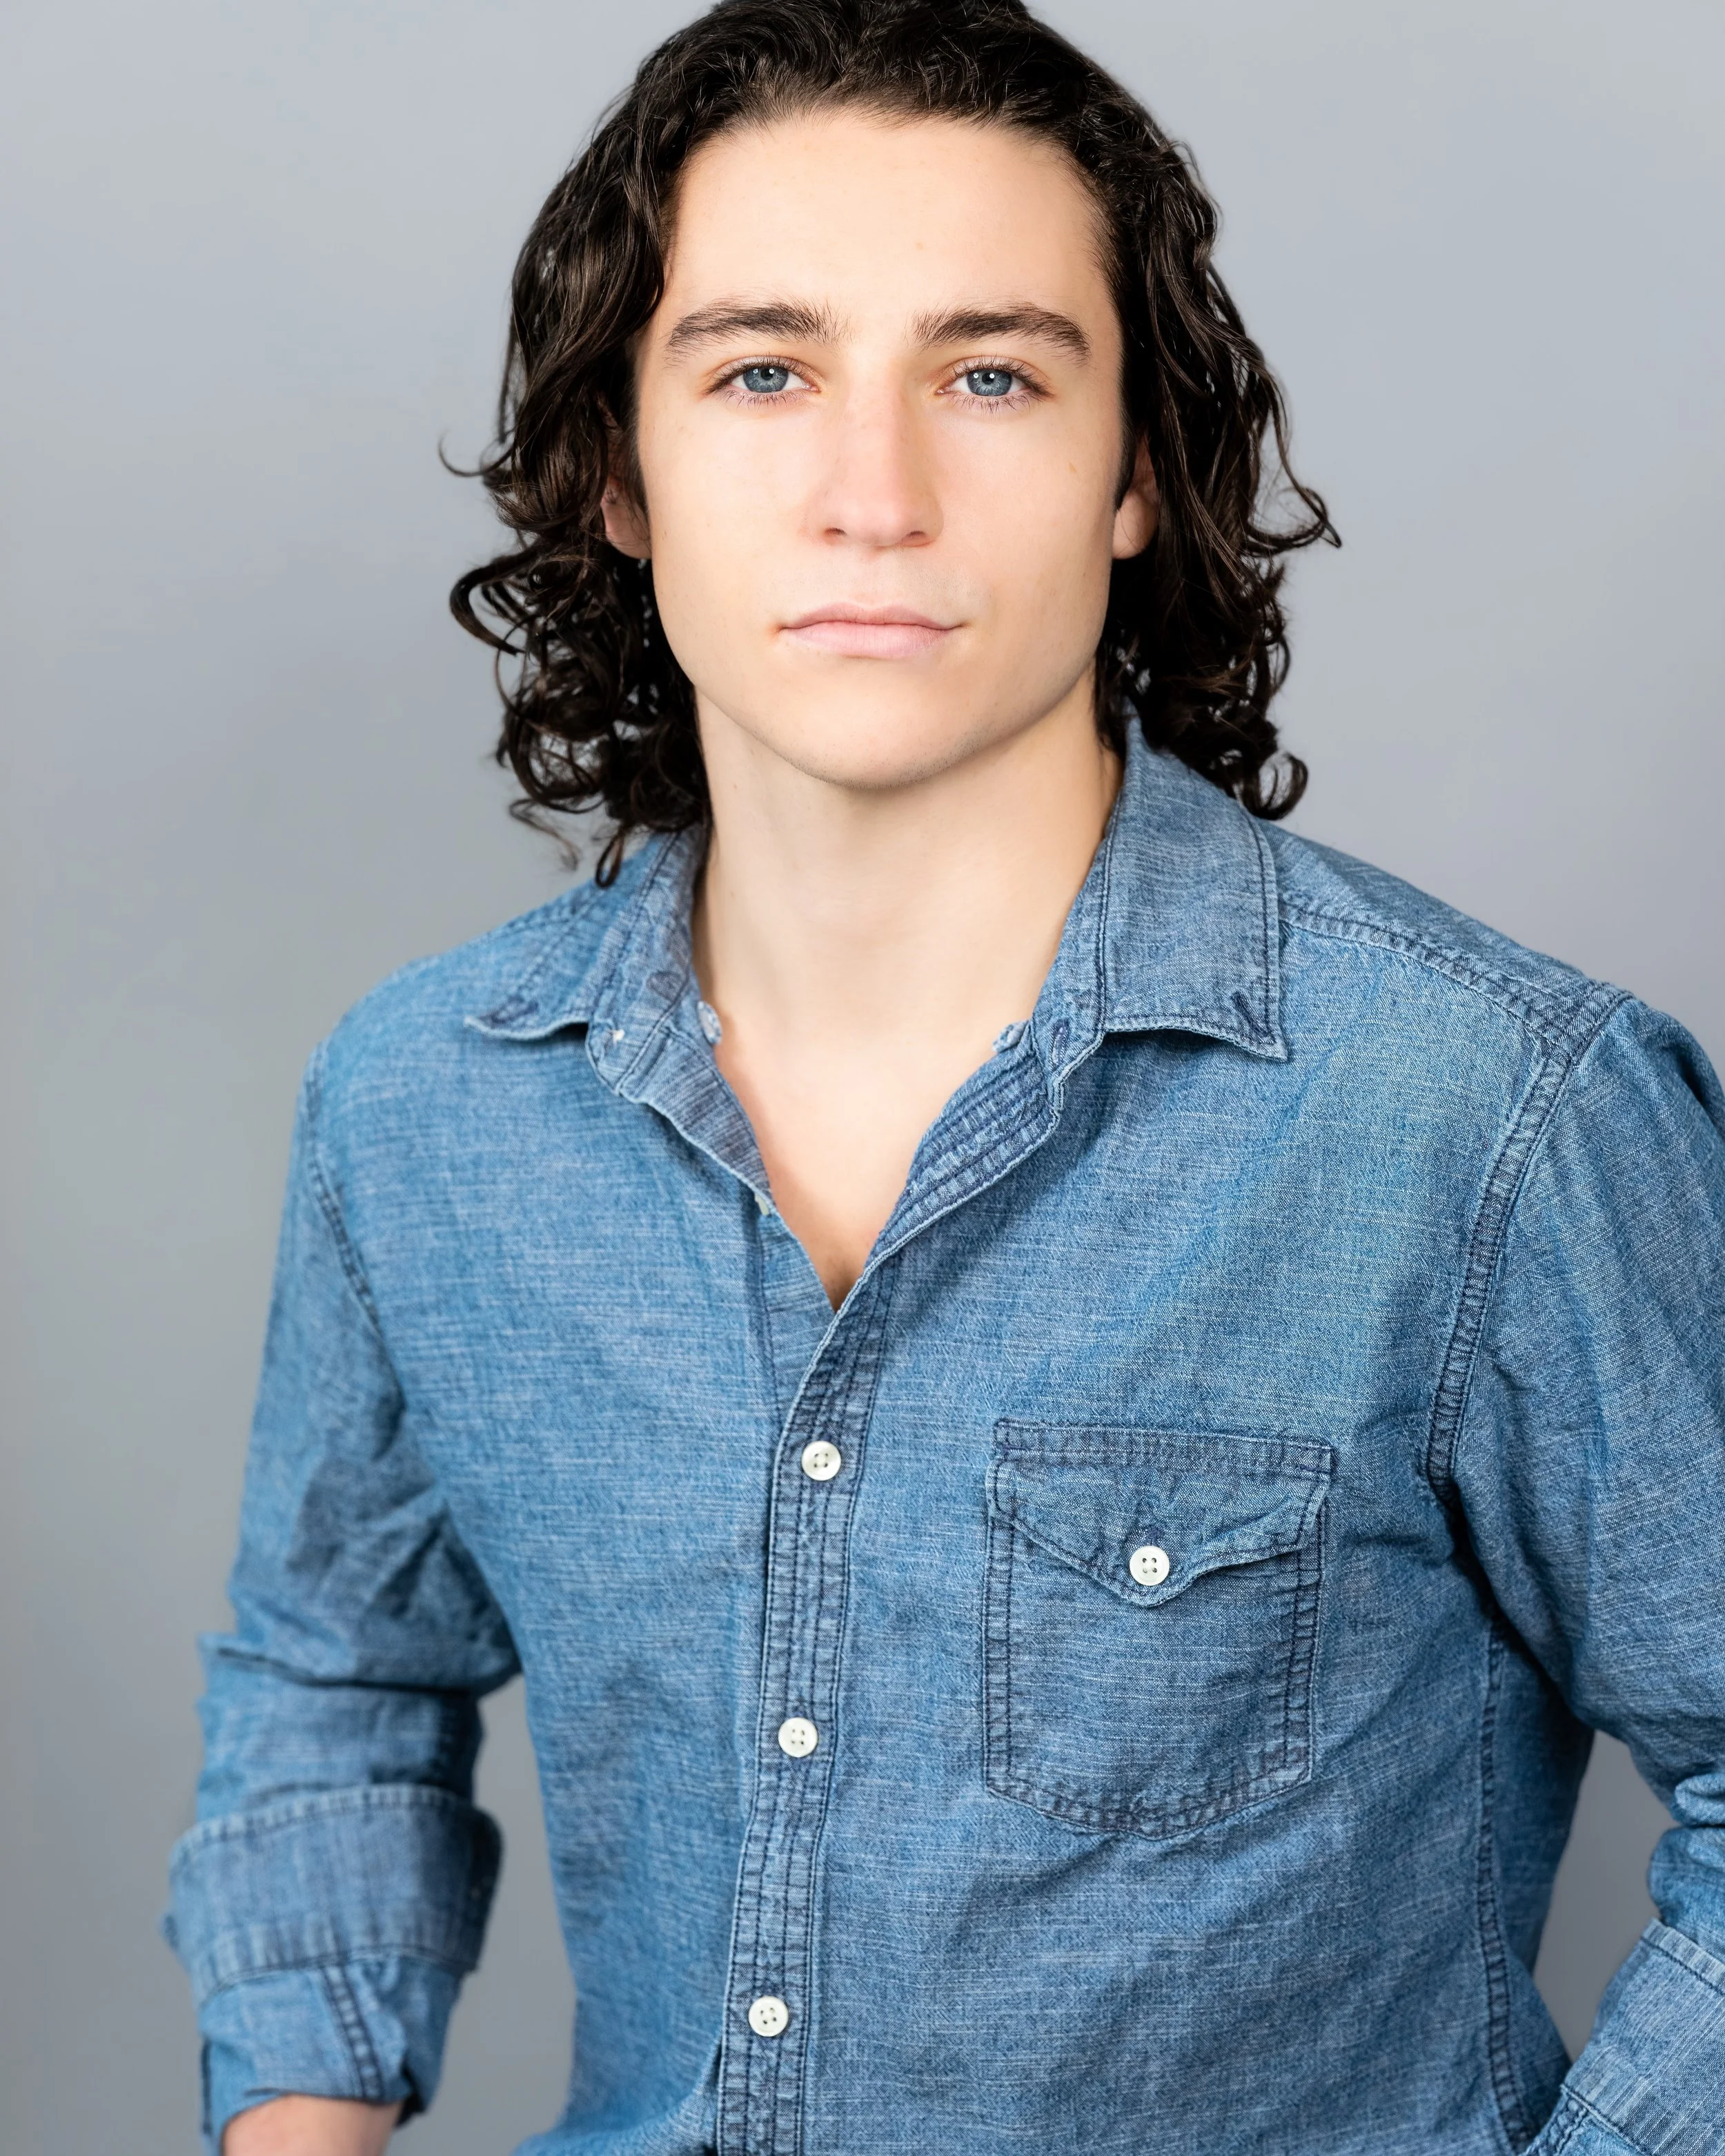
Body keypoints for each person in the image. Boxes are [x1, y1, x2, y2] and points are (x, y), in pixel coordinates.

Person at [164, 1, 1725, 2150]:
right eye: (762, 371)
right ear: (617, 472)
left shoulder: (1491, 1113)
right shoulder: (422, 1103)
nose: (872, 497)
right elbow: (332, 1682)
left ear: (1133, 472)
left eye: (989, 375)